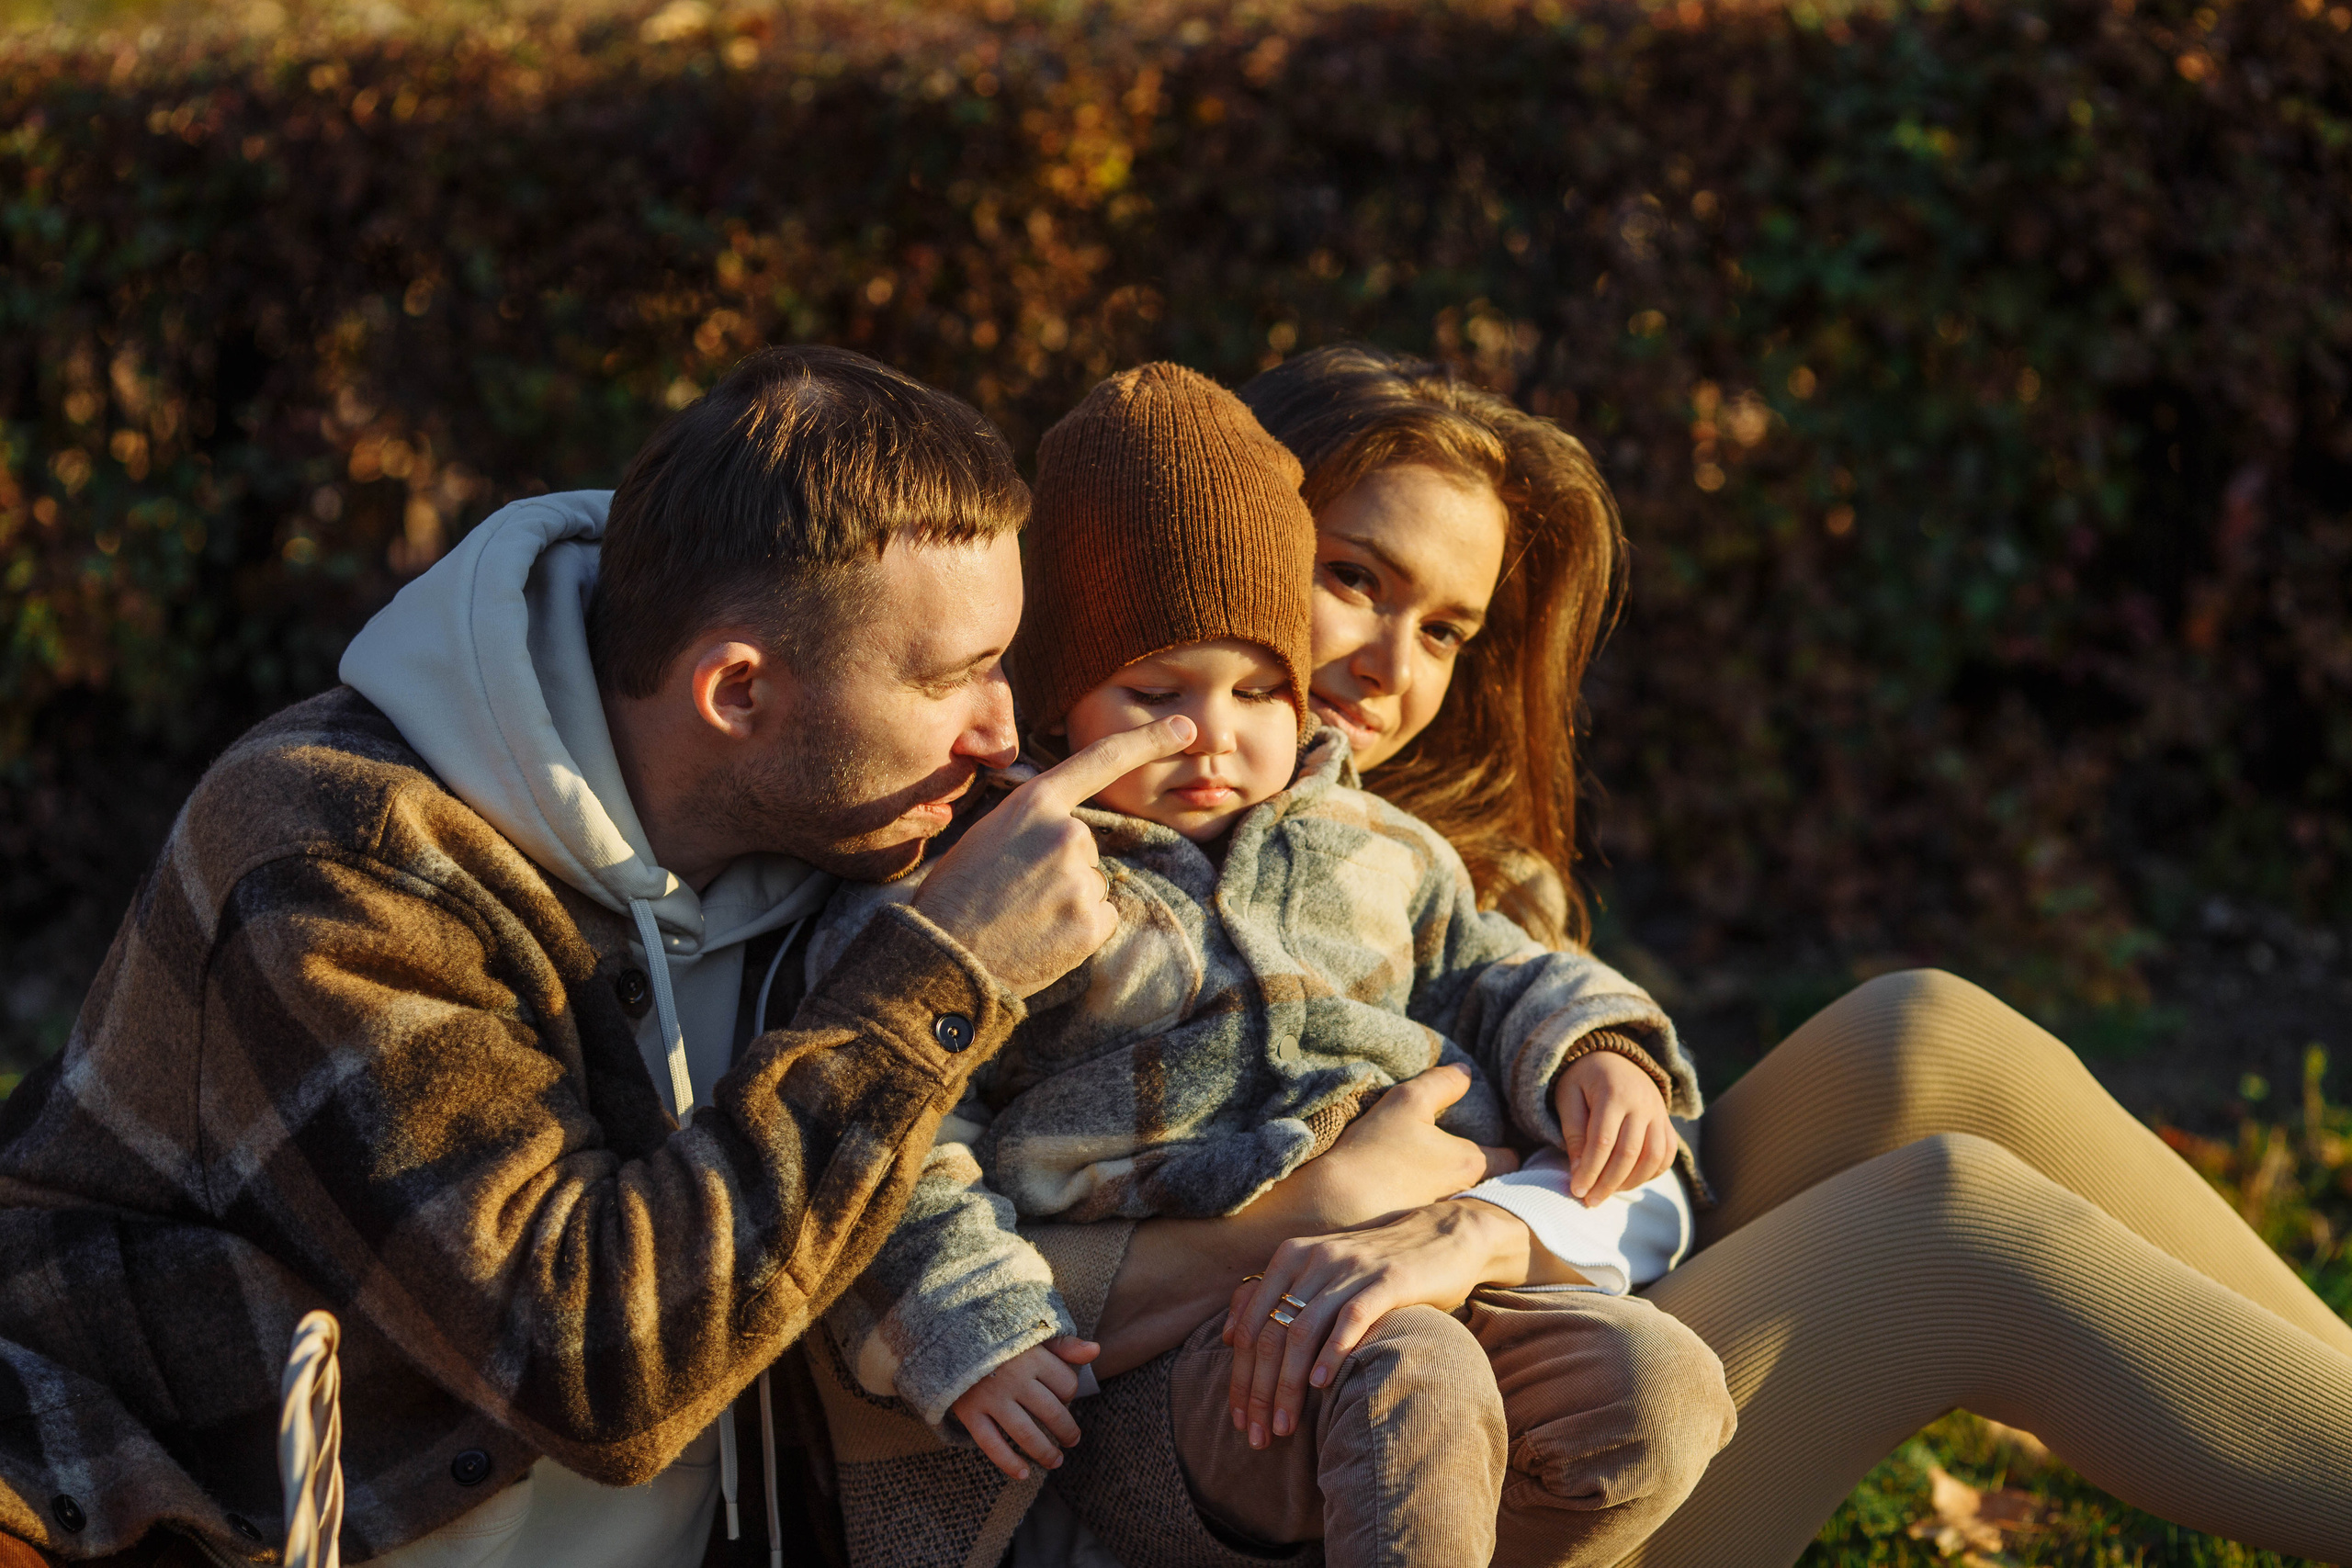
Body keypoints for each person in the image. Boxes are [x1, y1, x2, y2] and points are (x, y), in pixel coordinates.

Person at [0, 346, 1201, 1567]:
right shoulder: (334, 858)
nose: (1004, 730)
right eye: (958, 676)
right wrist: (941, 974)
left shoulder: (852, 824)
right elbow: (588, 1367)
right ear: (736, 692)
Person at [1201, 343, 2352, 1564]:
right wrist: (1349, 1207)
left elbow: (1643, 1181)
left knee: (1920, 1034)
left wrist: (1505, 1209)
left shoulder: (1407, 859)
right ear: (1218, 528)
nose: (1391, 668)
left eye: (1445, 631)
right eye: (1354, 577)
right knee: (1951, 1227)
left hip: (1549, 1345)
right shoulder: (1067, 861)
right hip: (1393, 1480)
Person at [798, 363, 1734, 1568]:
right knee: (1410, 1372)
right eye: (1354, 580)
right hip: (1186, 1361)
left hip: (1438, 1278)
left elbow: (1503, 971)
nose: (1213, 733)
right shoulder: (1018, 875)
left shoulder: (1381, 846)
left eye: (1258, 692)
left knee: (1660, 1385)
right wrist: (972, 1324)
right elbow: (896, 1128)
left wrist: (1597, 1049)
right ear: (1061, 693)